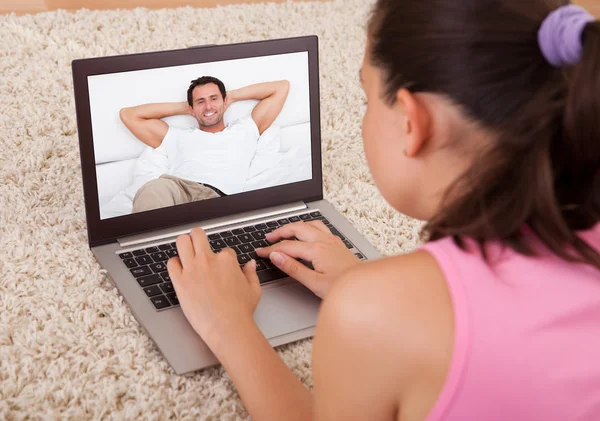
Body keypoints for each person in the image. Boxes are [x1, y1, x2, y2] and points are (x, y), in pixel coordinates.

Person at [166, 1, 600, 420]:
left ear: (412, 122)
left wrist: (231, 327)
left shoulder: (370, 313)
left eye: (367, 97)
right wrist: (362, 282)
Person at [119, 76, 290, 212]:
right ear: (192, 109)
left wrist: (233, 96)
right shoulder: (177, 136)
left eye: (213, 98)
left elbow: (281, 87)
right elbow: (128, 115)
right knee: (153, 188)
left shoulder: (245, 128)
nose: (208, 106)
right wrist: (186, 107)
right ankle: (147, 251)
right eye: (200, 101)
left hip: (217, 198)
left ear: (224, 101)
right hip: (179, 189)